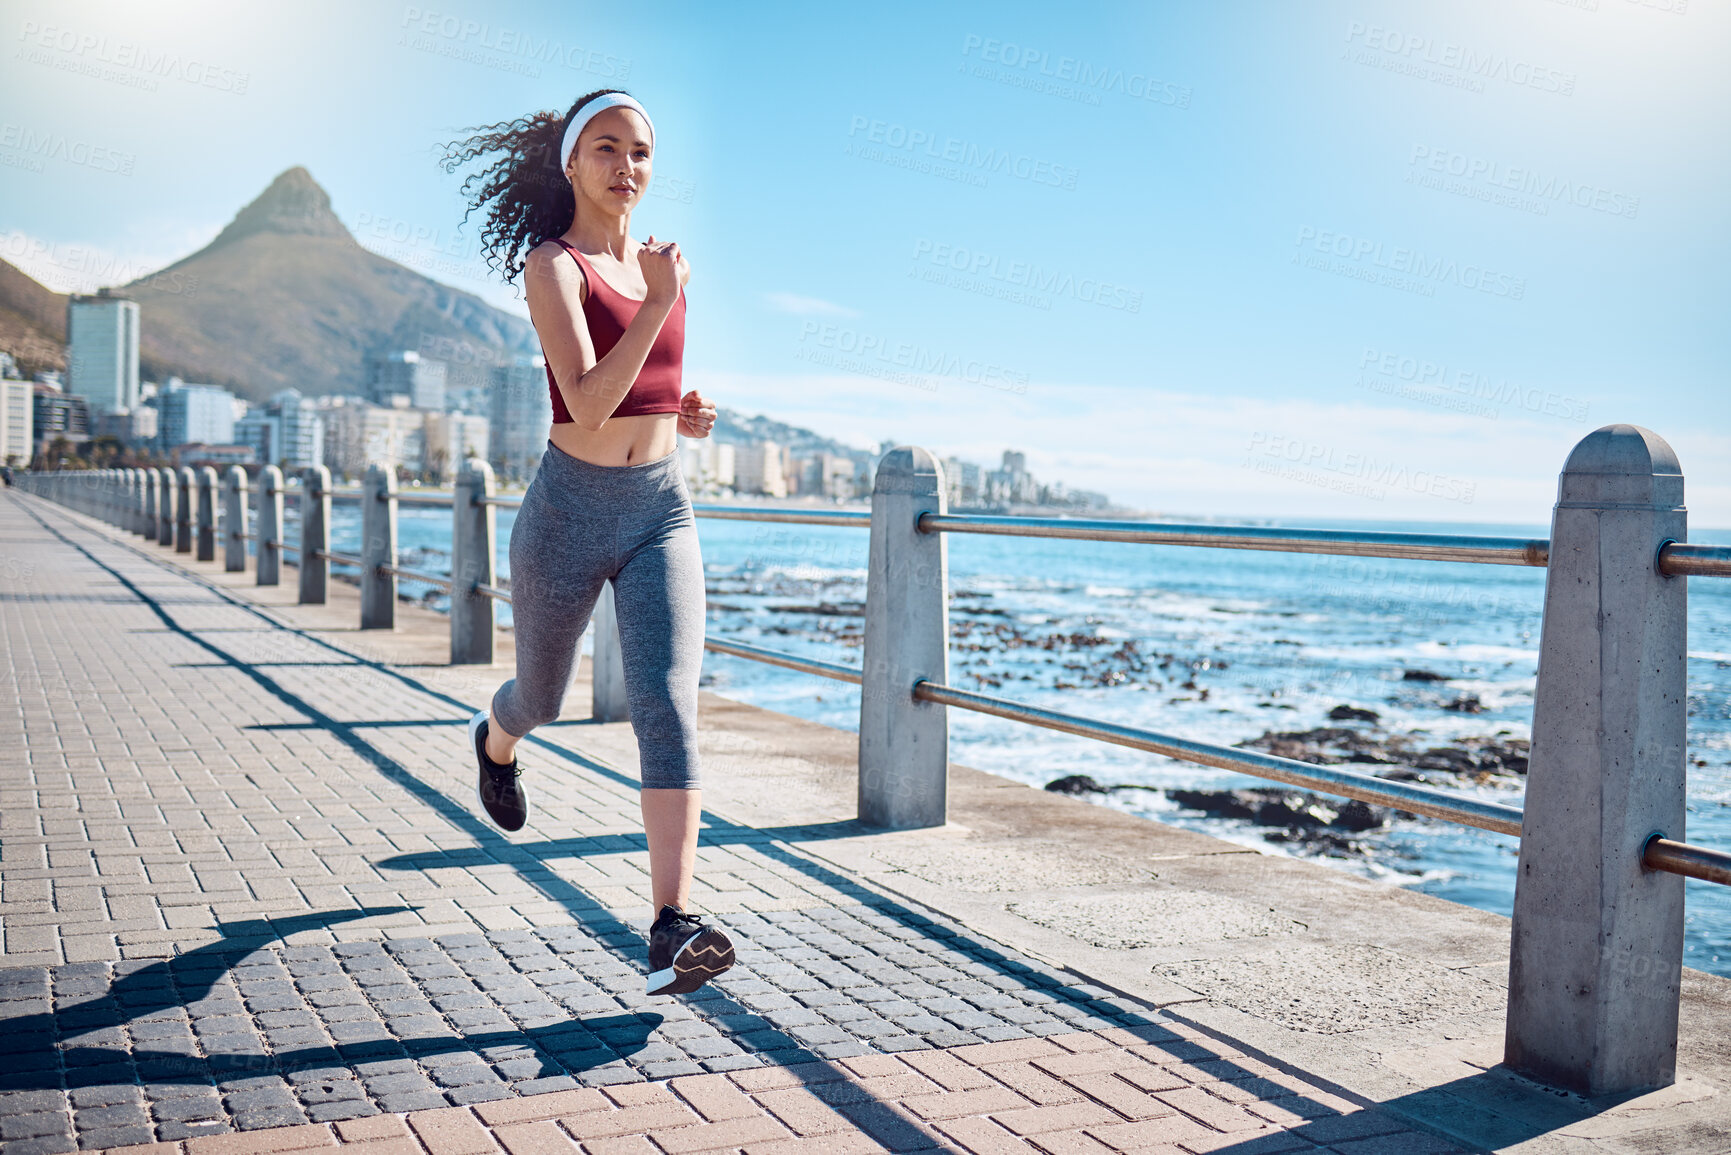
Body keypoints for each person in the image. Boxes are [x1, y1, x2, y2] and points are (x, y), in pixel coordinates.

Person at [444, 90, 731, 997]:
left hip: (660, 508)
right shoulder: (553, 265)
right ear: (571, 164)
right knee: (544, 695)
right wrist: (657, 303)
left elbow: (639, 391)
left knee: (665, 699)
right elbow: (587, 398)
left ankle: (670, 923)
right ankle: (494, 739)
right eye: (606, 149)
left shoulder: (658, 269)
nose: (626, 166)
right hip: (567, 510)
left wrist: (684, 415)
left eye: (640, 151)